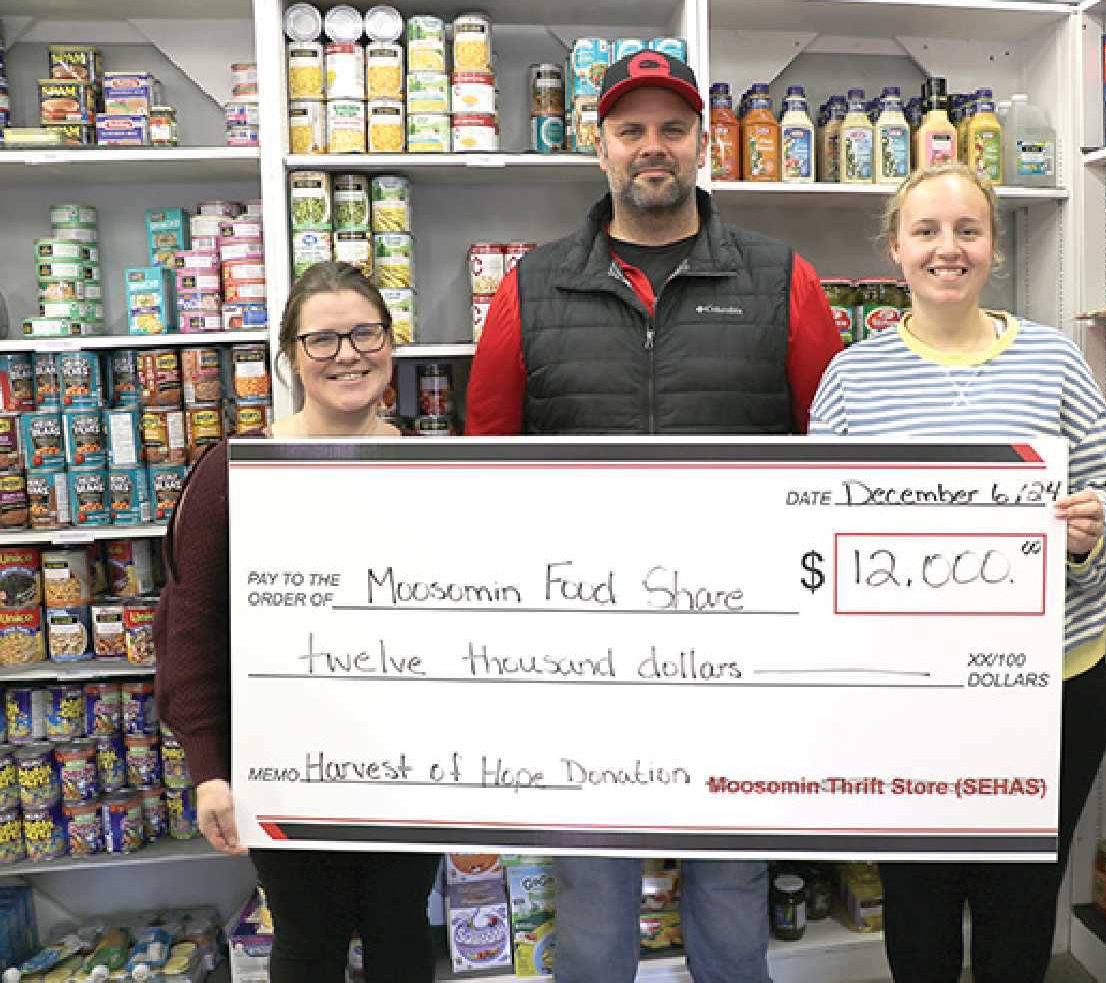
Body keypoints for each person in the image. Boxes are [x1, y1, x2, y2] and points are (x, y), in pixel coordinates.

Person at [465, 52, 843, 982]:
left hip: (740, 651)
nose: (652, 147)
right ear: (599, 150)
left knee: (728, 880)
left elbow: (836, 457)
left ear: (702, 143)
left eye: (672, 128)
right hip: (580, 653)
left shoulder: (782, 278)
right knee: (593, 892)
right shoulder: (530, 288)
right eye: (630, 129)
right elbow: (482, 465)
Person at [807, 162, 1106, 983]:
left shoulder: (1055, 362)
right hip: (908, 699)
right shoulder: (851, 377)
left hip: (1053, 688)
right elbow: (813, 531)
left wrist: (1091, 536)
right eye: (926, 231)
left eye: (968, 230)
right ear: (896, 249)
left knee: (1021, 911)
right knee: (915, 906)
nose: (948, 249)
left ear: (994, 249)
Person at [157, 262, 439, 982]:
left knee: (402, 928)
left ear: (391, 344)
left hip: (409, 761)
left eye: (365, 333)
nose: (348, 353)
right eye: (323, 340)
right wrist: (208, 769)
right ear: (290, 356)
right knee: (310, 938)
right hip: (286, 761)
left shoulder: (438, 468)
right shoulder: (233, 472)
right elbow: (190, 626)